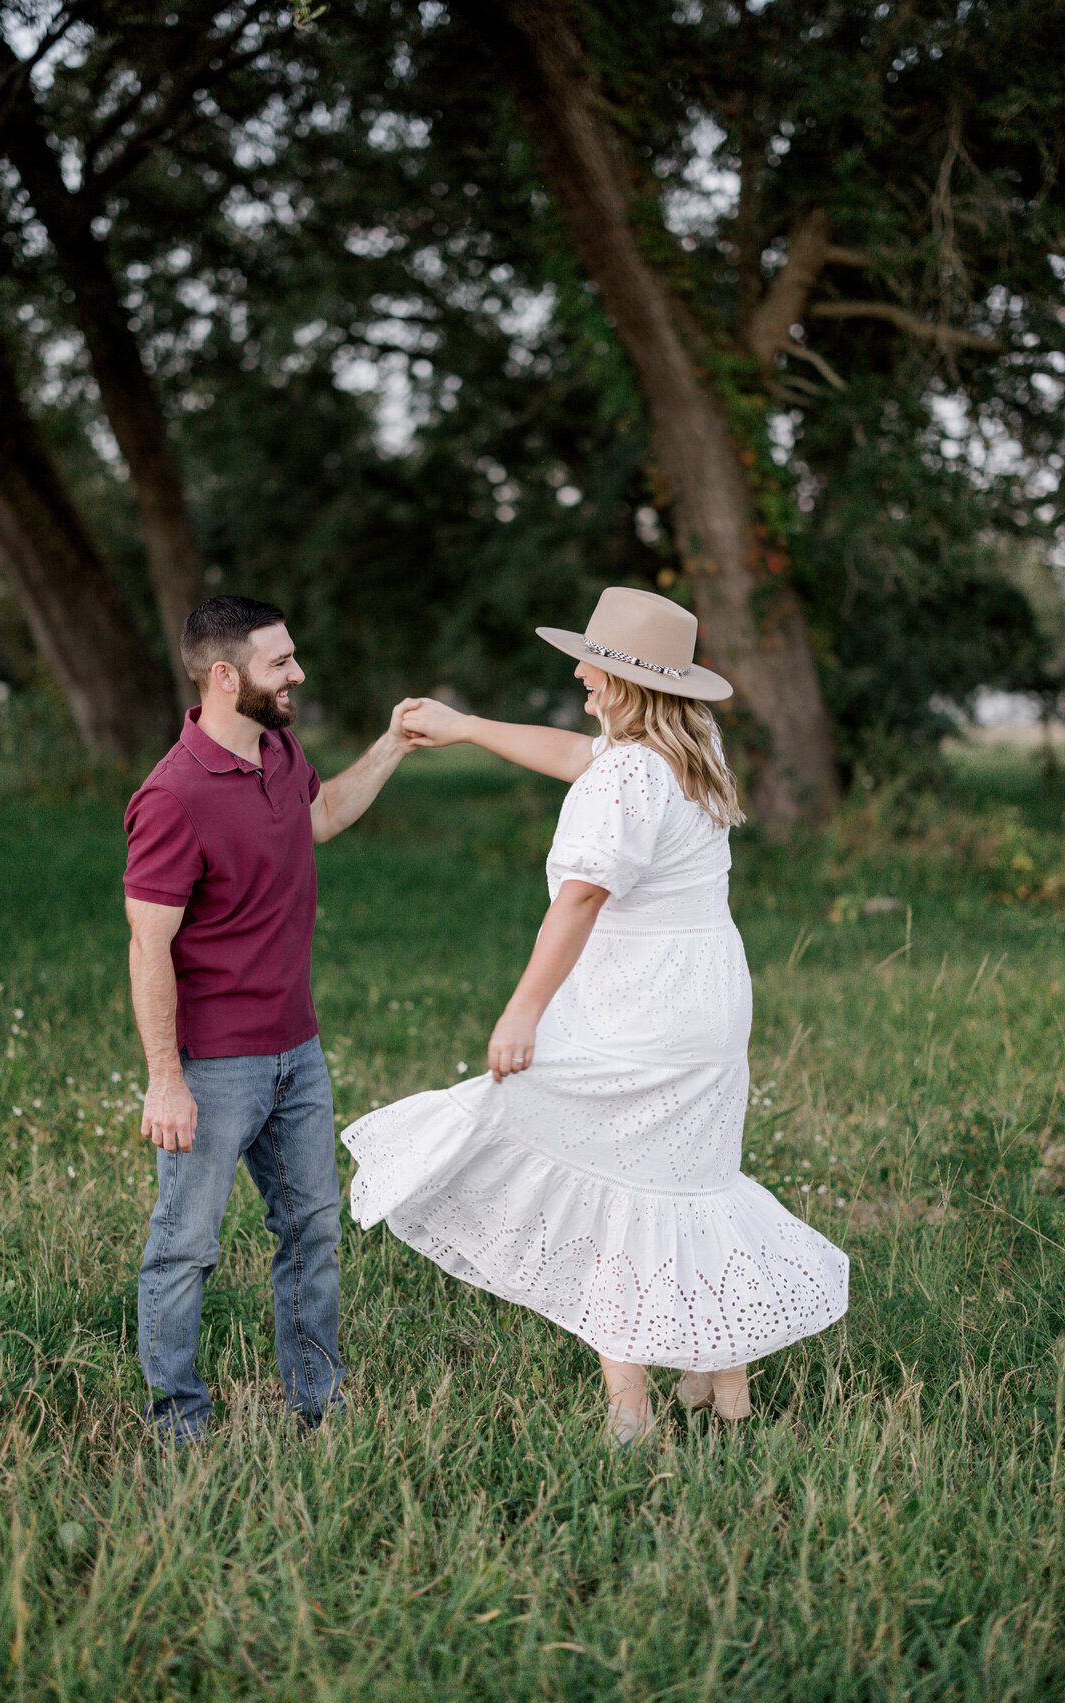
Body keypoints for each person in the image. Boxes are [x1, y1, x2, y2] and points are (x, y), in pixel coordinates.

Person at [343, 587, 849, 1445]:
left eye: (594, 661)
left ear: (627, 681)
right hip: (707, 1002)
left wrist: (521, 1010)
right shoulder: (689, 748)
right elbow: (577, 752)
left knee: (609, 1184)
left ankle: (630, 1410)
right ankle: (724, 1390)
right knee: (690, 1180)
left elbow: (580, 897)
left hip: (639, 1004)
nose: (579, 670)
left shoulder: (627, 774)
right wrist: (469, 726)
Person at [124, 595, 417, 1443]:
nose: (298, 673)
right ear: (225, 676)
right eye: (280, 661)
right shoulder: (172, 797)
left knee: (313, 1232)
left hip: (298, 1049)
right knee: (185, 1248)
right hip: (214, 1065)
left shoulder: (279, 751)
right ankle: (178, 1423)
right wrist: (165, 1081)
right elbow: (148, 947)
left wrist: (393, 744)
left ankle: (317, 1403)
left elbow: (319, 818)